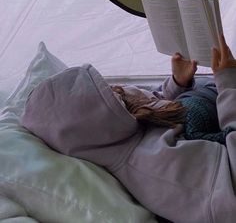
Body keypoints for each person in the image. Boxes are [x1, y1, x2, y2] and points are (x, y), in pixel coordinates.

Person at [21, 34, 236, 223]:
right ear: (101, 116)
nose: (120, 95)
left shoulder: (118, 134)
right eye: (114, 96)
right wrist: (229, 84)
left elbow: (151, 106)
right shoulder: (154, 166)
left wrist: (177, 83)